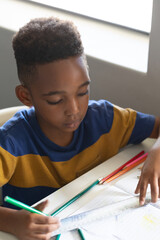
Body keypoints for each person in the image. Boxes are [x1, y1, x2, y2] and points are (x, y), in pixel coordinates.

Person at [0, 16, 160, 240]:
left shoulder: (104, 119)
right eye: (56, 101)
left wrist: (156, 152)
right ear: (26, 96)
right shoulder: (10, 143)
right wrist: (10, 220)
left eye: (83, 92)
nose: (74, 109)